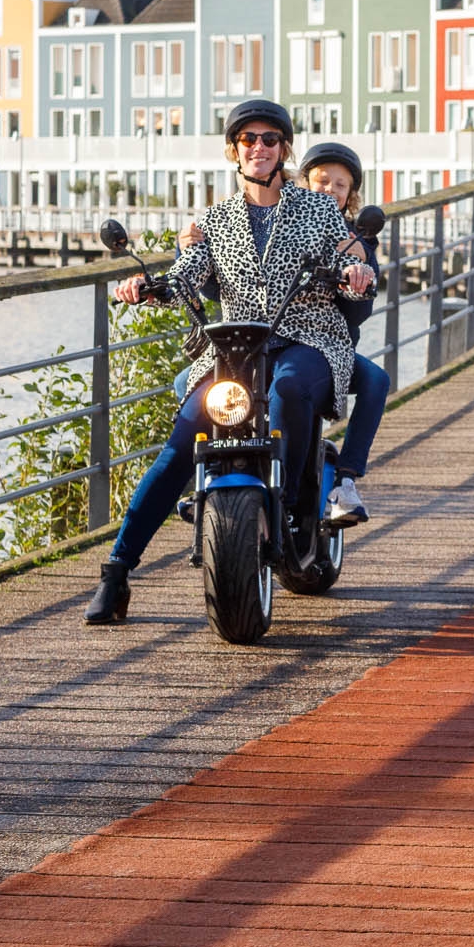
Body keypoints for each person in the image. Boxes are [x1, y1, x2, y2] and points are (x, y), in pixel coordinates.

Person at [84, 99, 374, 624]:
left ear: (284, 149)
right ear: (233, 150)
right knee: (184, 436)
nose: (259, 148)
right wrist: (149, 288)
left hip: (307, 337)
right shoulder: (215, 221)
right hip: (236, 347)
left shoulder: (318, 208)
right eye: (248, 140)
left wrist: (356, 272)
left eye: (269, 140)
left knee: (289, 390)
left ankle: (288, 510)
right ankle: (118, 570)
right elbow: (189, 273)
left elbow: (346, 253)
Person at [177, 140, 390, 526]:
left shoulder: (355, 240)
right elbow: (219, 285)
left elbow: (358, 312)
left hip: (321, 345)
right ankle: (210, 474)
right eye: (321, 182)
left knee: (373, 379)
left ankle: (344, 480)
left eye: (340, 186)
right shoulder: (275, 222)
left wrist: (353, 272)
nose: (329, 191)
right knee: (186, 385)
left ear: (351, 195)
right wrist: (191, 251)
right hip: (255, 343)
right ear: (301, 182)